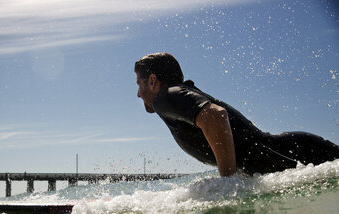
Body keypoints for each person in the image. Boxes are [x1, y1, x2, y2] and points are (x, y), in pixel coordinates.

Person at [135, 52, 339, 177]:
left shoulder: (164, 97)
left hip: (299, 155)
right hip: (295, 153)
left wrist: (228, 181)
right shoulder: (177, 96)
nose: (138, 93)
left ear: (152, 81)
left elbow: (216, 116)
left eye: (139, 83)